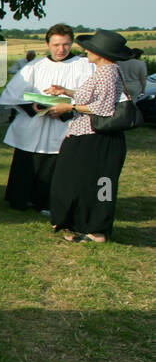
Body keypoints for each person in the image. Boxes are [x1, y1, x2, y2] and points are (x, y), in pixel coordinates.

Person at [45, 29, 142, 243]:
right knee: (82, 181)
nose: (87, 50)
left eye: (91, 48)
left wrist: (68, 107)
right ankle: (79, 222)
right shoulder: (105, 70)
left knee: (99, 184)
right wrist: (66, 91)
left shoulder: (108, 72)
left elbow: (104, 108)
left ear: (102, 53)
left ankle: (96, 230)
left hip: (97, 137)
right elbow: (95, 98)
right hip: (88, 135)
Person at [0, 24, 91, 212]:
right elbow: (11, 94)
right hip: (35, 124)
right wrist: (34, 106)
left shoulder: (84, 66)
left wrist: (67, 109)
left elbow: (92, 97)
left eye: (66, 45)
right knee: (27, 162)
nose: (61, 49)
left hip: (65, 123)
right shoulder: (35, 66)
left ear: (72, 44)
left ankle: (49, 203)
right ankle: (22, 199)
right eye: (56, 45)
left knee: (57, 166)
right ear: (47, 44)